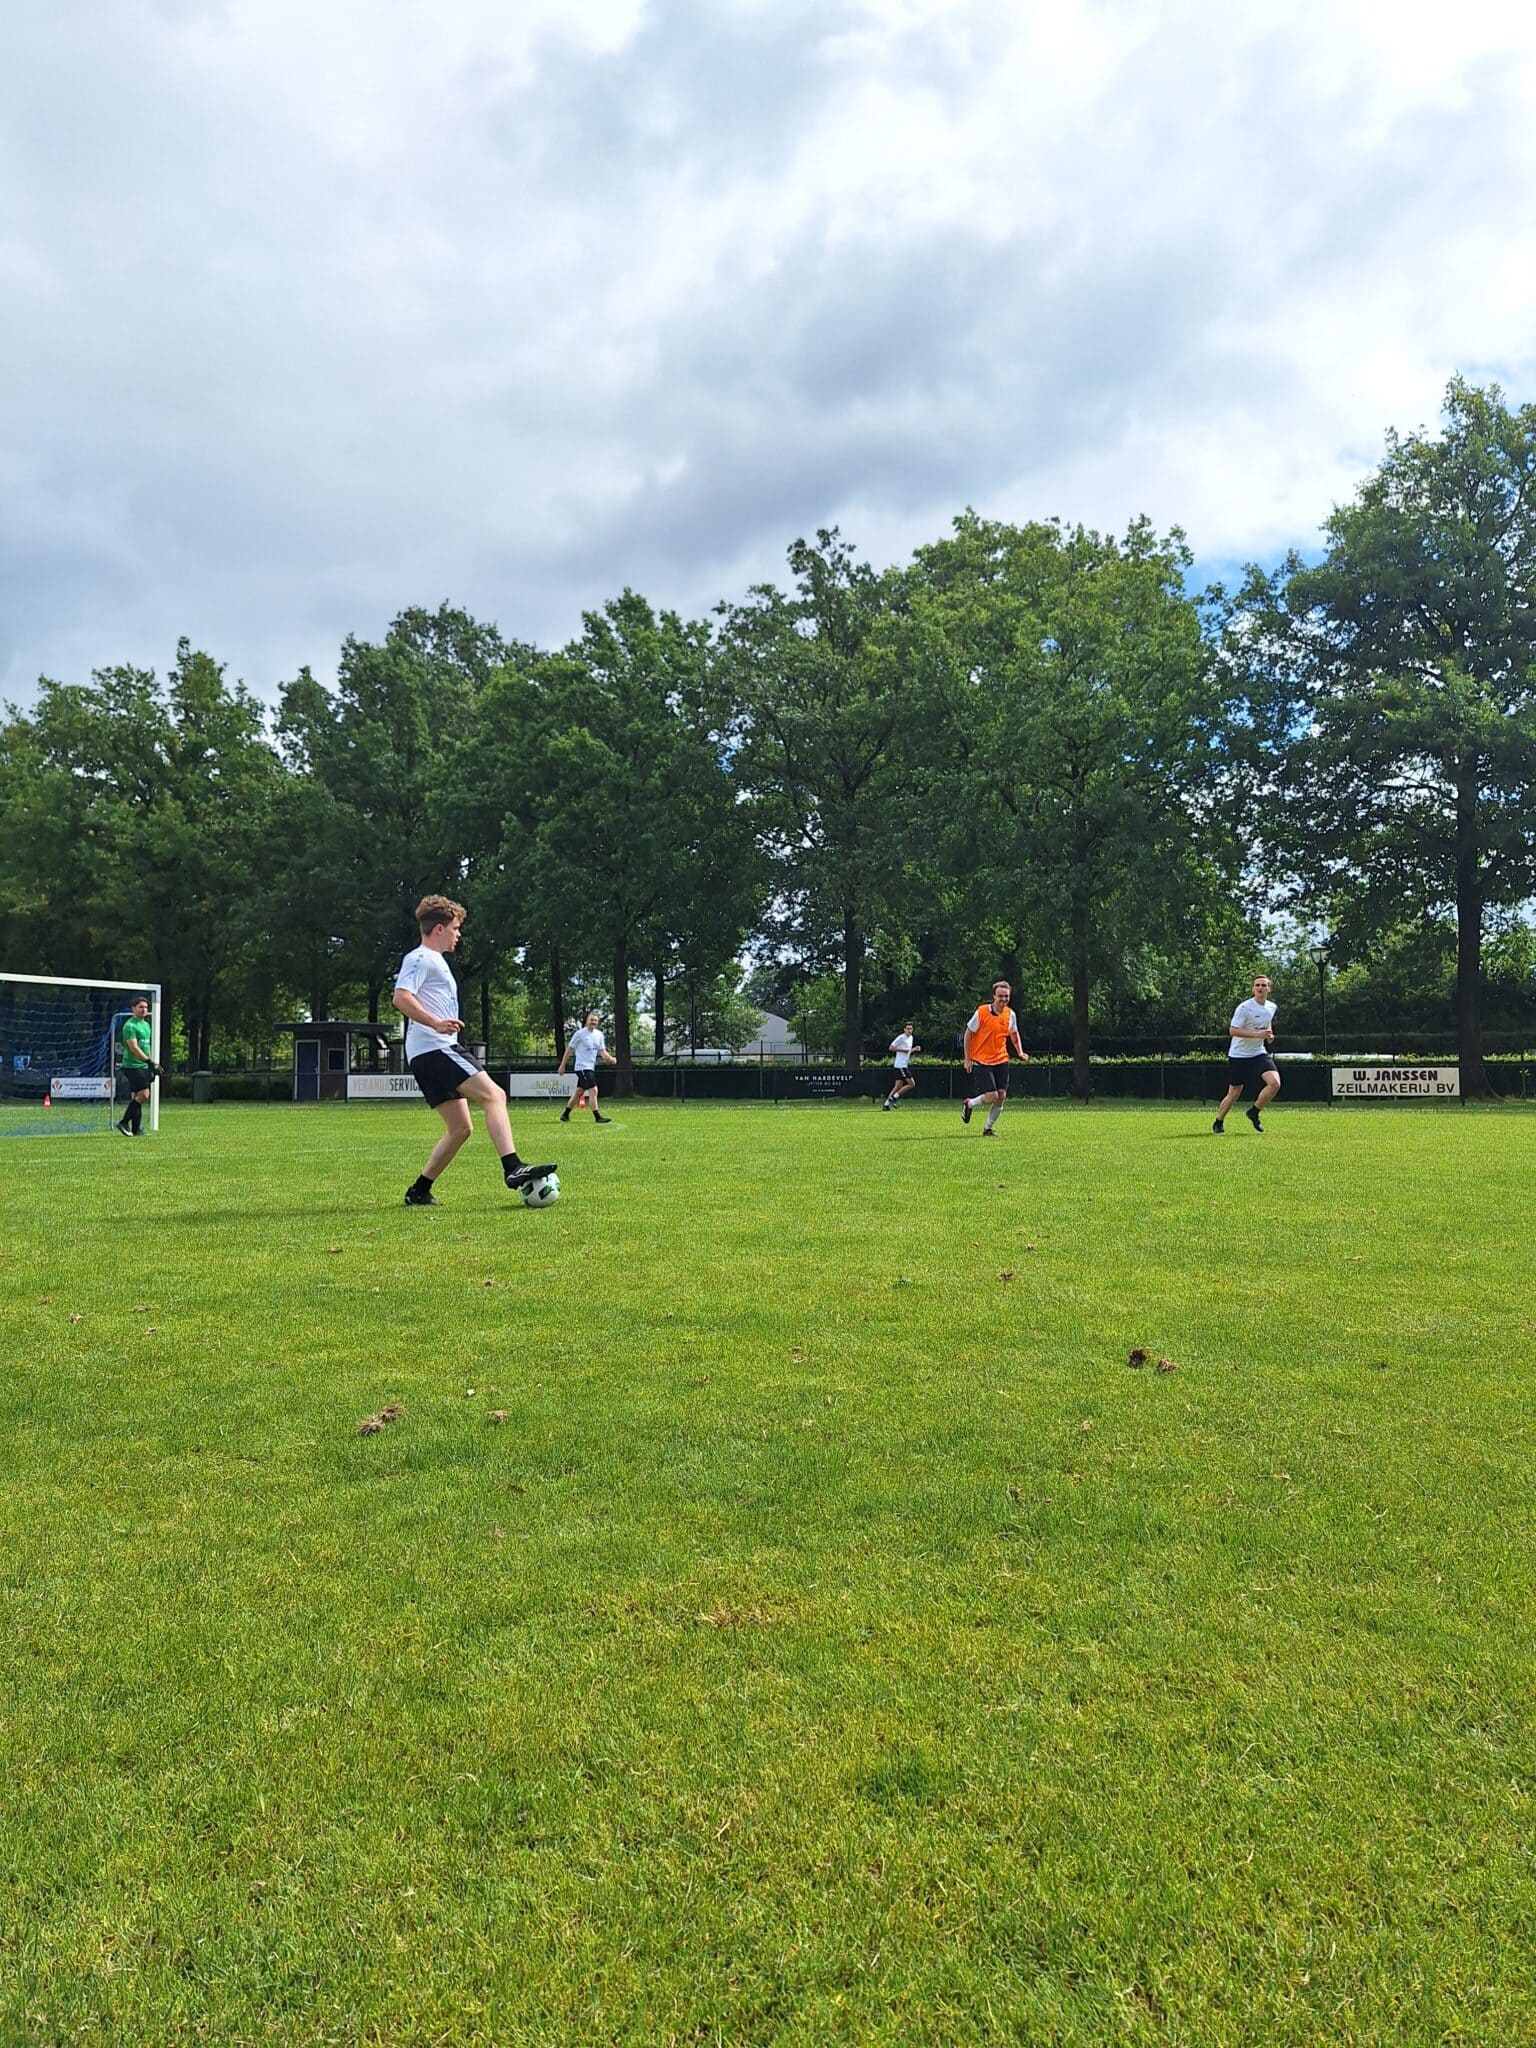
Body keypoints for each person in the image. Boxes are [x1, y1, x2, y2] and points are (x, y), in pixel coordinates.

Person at [392, 895, 555, 1206]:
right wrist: (436, 1023)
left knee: (460, 1128)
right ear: (439, 929)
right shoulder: (421, 958)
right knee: (495, 1096)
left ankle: (419, 1190)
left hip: (425, 1052)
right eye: (455, 928)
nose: (459, 934)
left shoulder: (433, 960)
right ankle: (512, 1167)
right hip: (436, 1047)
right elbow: (400, 997)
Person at [1212, 974, 1280, 1133]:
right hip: (1239, 1055)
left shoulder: (1271, 1007)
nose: (1260, 988)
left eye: (1263, 985)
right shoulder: (1244, 1008)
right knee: (1234, 1093)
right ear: (1253, 989)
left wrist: (1269, 1035)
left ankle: (1254, 1112)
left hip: (1258, 1053)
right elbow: (1232, 1030)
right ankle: (1218, 1121)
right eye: (1257, 985)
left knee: (1275, 1083)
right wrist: (1258, 1035)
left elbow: (1267, 1024)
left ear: (1269, 989)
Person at [961, 981, 1028, 1137]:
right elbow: (968, 1034)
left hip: (1001, 1059)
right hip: (982, 1060)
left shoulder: (1010, 1014)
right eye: (1000, 996)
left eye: (1006, 996)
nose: (1003, 999)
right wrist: (967, 1058)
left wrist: (1020, 1052)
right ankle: (969, 1103)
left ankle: (988, 1128)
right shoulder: (982, 1012)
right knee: (992, 1096)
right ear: (994, 996)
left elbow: (1014, 1034)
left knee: (1001, 1095)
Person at [556, 1010, 618, 1123]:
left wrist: (611, 1059)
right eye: (591, 1020)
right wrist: (562, 1065)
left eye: (595, 1020)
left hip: (590, 1067)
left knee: (579, 1091)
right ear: (587, 1021)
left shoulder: (599, 1035)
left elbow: (602, 1051)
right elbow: (569, 1049)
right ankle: (598, 1117)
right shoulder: (579, 1034)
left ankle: (565, 1115)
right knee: (593, 1089)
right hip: (582, 1067)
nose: (593, 1022)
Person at [115, 996, 156, 1136]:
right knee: (144, 1094)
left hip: (143, 1065)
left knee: (137, 1097)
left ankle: (136, 1129)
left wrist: (149, 1065)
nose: (144, 1009)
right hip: (132, 1065)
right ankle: (123, 1122)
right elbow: (134, 1048)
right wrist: (149, 1061)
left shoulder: (146, 1025)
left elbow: (146, 1047)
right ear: (133, 1009)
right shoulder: (130, 1026)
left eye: (146, 1007)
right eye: (140, 1007)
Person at [882, 1022, 920, 1109]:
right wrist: (902, 1050)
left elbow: (908, 1051)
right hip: (901, 1065)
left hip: (902, 1065)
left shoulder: (911, 1038)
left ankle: (886, 1105)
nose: (909, 1030)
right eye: (908, 1029)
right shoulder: (901, 1037)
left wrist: (914, 1049)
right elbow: (891, 1048)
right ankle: (894, 1097)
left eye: (911, 1029)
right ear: (904, 1029)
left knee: (898, 1086)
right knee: (912, 1084)